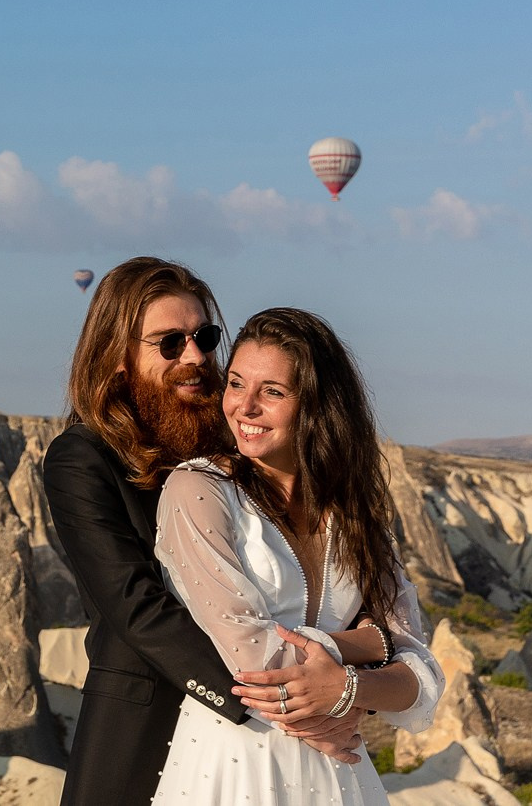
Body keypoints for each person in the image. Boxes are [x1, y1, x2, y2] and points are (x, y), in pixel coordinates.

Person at [44, 258, 365, 806]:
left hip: (278, 744)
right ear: (116, 356)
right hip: (143, 735)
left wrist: (342, 688)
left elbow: (328, 583)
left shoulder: (243, 441)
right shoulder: (83, 458)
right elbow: (139, 608)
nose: (194, 357)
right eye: (169, 344)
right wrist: (285, 702)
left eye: (204, 337)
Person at [150, 307, 442, 803]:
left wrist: (348, 693)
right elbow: (251, 657)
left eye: (272, 392)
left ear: (318, 405)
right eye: (237, 384)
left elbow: (422, 673)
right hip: (234, 762)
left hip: (340, 766)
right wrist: (366, 648)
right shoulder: (198, 491)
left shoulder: (353, 509)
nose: (244, 407)